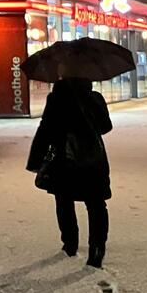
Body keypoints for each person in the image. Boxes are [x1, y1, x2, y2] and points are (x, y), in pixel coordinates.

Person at [27, 77, 113, 268]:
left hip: (64, 160)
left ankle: (70, 243)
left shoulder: (56, 98)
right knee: (96, 204)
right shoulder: (94, 98)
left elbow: (45, 130)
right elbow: (106, 127)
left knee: (64, 200)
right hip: (93, 159)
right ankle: (97, 249)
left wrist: (36, 160)